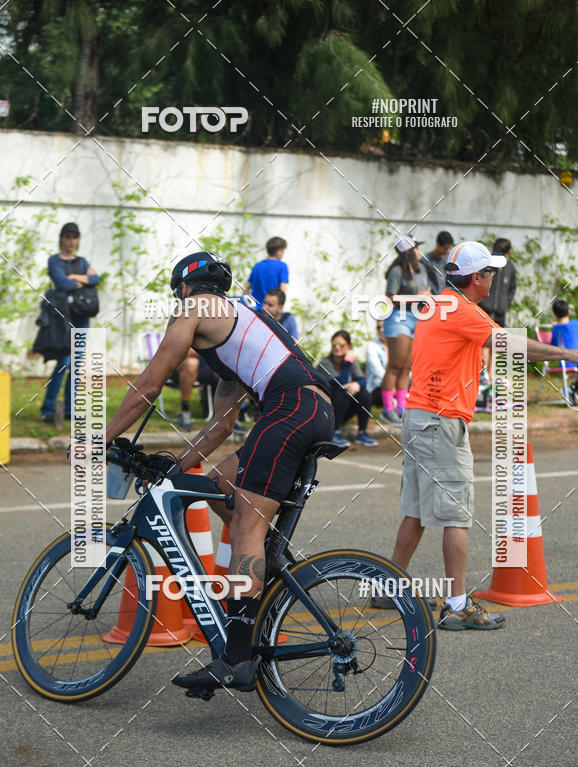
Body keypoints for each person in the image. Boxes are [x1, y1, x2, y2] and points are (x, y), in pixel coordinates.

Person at [105, 251, 335, 693]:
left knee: (247, 523)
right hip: (309, 409)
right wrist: (177, 465)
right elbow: (220, 427)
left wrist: (98, 440)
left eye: (178, 295)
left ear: (186, 288)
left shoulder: (194, 309)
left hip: (291, 411)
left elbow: (147, 387)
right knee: (215, 488)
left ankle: (235, 660)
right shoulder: (233, 333)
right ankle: (264, 576)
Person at [387, 241, 578, 629]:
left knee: (416, 511)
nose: (494, 277)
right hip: (441, 420)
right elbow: (515, 346)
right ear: (476, 279)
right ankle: (455, 604)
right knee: (456, 516)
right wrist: (572, 354)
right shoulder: (466, 312)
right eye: (489, 272)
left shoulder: (439, 304)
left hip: (420, 416)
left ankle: (389, 588)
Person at [40, 223, 99, 423]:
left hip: (81, 316)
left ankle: (69, 410)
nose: (71, 241)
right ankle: (48, 409)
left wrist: (74, 277)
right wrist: (83, 279)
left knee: (76, 364)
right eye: (68, 237)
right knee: (64, 361)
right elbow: (62, 284)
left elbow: (96, 278)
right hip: (62, 317)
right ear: (61, 239)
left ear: (78, 239)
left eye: (75, 237)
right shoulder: (54, 260)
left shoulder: (82, 261)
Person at [380, 235, 432, 425]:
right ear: (409, 251)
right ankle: (387, 409)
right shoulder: (396, 271)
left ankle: (402, 408)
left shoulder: (421, 270)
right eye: (417, 247)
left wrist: (427, 297)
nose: (420, 251)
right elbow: (390, 298)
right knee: (394, 366)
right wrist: (416, 299)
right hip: (398, 319)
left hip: (417, 319)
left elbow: (427, 293)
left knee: (407, 367)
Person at [318, 330, 377, 448]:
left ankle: (362, 433)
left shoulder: (351, 362)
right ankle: (334, 432)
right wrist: (347, 364)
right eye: (334, 344)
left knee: (364, 394)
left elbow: (362, 380)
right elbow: (339, 383)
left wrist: (357, 385)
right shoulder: (325, 363)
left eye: (341, 345)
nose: (337, 348)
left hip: (344, 409)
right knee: (344, 391)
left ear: (348, 346)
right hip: (326, 410)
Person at [481, 238, 517, 377]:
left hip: (500, 312)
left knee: (497, 344)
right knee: (484, 342)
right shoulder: (487, 266)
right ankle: (482, 375)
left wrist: (506, 303)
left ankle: (491, 376)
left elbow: (512, 288)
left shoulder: (510, 268)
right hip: (485, 310)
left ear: (507, 254)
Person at [244, 237, 288, 310]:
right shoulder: (282, 266)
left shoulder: (257, 266)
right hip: (270, 311)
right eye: (283, 251)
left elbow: (246, 290)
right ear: (279, 251)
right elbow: (282, 291)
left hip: (255, 310)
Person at [424, 230, 454, 295]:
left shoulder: (449, 259)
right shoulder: (426, 260)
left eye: (448, 249)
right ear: (438, 244)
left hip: (448, 297)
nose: (446, 251)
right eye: (445, 249)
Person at [365, 320, 388, 406]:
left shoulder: (397, 347)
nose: (381, 330)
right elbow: (377, 371)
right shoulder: (372, 346)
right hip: (377, 388)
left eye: (384, 327)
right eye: (379, 327)